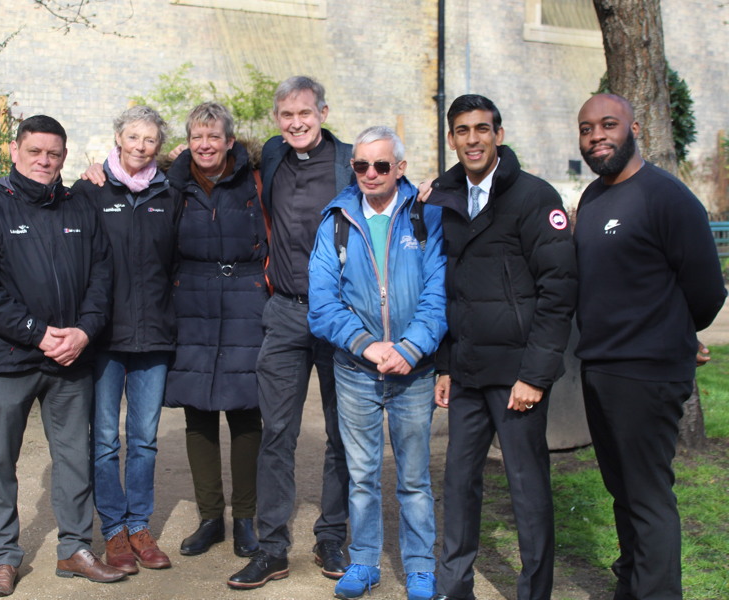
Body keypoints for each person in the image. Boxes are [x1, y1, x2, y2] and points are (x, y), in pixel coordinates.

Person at [0, 115, 125, 597]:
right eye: (35, 152)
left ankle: (74, 548)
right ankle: (3, 557)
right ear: (15, 151)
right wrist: (36, 333)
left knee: (75, 458)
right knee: (0, 461)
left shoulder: (80, 208)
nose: (44, 161)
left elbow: (101, 279)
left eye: (53, 153)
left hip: (70, 359)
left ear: (65, 157)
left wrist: (84, 333)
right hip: (10, 358)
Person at [574, 93, 726, 600]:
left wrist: (675, 335)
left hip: (647, 373)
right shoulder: (593, 199)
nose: (597, 136)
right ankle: (632, 589)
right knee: (624, 494)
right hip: (600, 369)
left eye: (608, 125)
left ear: (634, 127)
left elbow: (706, 290)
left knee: (648, 496)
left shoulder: (666, 197)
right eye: (587, 128)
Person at [425, 94, 577, 600]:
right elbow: (444, 286)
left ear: (499, 134)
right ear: (452, 139)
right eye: (463, 130)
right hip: (467, 368)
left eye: (483, 129)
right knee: (459, 482)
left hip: (517, 376)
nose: (473, 139)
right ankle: (455, 585)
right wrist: (444, 365)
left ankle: (534, 592)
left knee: (527, 489)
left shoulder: (534, 197)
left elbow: (559, 292)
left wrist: (536, 375)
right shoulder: (443, 197)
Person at [308, 126, 446, 600]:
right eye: (361, 165)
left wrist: (409, 350)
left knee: (413, 478)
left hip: (415, 370)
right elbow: (322, 301)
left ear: (400, 168)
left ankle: (421, 567)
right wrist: (367, 345)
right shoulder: (337, 220)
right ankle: (364, 561)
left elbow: (439, 293)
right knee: (362, 475)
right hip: (356, 370)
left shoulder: (427, 216)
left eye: (381, 165)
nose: (370, 173)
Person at [227, 76, 354, 590]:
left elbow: (394, 190)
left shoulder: (350, 161)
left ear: (323, 111)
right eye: (286, 115)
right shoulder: (273, 155)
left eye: (305, 113)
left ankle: (331, 534)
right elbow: (207, 159)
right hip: (284, 311)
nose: (296, 123)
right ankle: (273, 546)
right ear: (276, 119)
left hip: (342, 316)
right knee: (276, 431)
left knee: (341, 432)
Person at [71, 105, 180, 574]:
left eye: (150, 140)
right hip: (104, 336)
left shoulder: (170, 191)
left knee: (144, 439)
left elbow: (177, 259)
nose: (140, 146)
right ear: (117, 137)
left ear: (159, 146)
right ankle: (113, 530)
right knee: (104, 441)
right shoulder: (89, 190)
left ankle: (139, 525)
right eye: (133, 137)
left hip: (154, 334)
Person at [162, 102, 267, 559]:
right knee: (198, 411)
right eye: (197, 137)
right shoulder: (172, 182)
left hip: (247, 296)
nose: (205, 145)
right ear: (188, 142)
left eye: (214, 137)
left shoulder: (256, 179)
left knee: (246, 411)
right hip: (191, 299)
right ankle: (211, 518)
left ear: (229, 141)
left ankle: (245, 519)